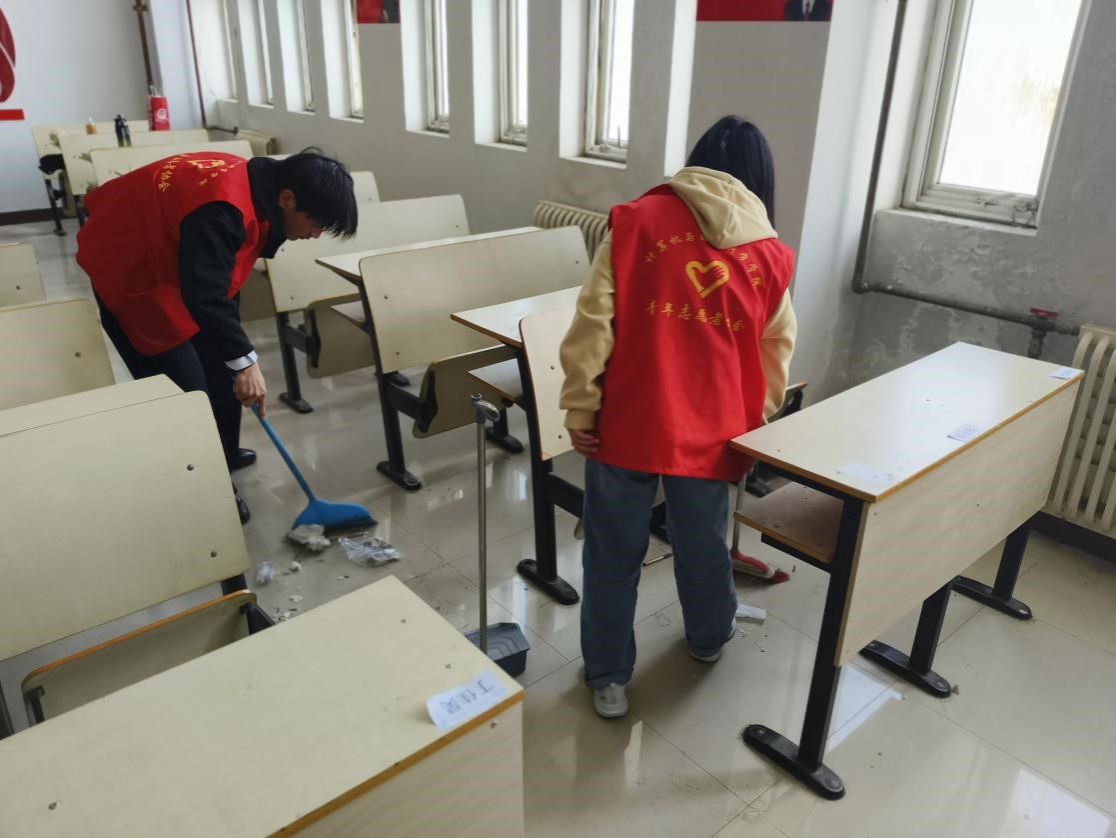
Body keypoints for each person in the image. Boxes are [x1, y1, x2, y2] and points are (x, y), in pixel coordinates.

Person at [559, 116, 798, 719]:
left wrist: (582, 403)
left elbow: (593, 321)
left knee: (613, 554)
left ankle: (608, 675)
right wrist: (756, 422)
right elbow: (777, 349)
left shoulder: (636, 221)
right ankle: (709, 636)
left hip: (627, 423)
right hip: (715, 433)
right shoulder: (771, 255)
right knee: (703, 544)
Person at [76, 148, 358, 523]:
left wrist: (237, 358)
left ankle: (222, 454)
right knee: (188, 392)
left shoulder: (255, 192)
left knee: (223, 368)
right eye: (316, 223)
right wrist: (246, 362)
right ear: (288, 199)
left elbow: (218, 280)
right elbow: (205, 293)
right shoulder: (223, 208)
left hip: (175, 261)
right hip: (131, 268)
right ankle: (211, 485)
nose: (316, 234)